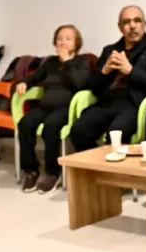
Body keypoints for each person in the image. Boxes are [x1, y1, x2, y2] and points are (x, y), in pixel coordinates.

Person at [70, 6, 146, 152]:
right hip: (106, 103)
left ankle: (110, 164)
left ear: (144, 24)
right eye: (126, 22)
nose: (132, 26)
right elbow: (92, 87)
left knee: (116, 134)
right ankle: (98, 164)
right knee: (79, 130)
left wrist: (130, 71)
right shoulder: (110, 50)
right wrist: (104, 71)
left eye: (137, 20)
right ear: (120, 27)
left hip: (134, 104)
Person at [14, 25, 91, 193]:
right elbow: (34, 77)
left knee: (51, 125)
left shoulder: (82, 62)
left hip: (66, 108)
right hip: (45, 106)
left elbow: (80, 84)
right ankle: (31, 170)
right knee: (25, 123)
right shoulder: (50, 63)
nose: (63, 42)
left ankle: (52, 172)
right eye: (59, 39)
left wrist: (67, 62)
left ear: (76, 43)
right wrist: (24, 83)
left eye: (68, 39)